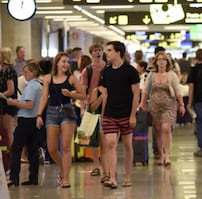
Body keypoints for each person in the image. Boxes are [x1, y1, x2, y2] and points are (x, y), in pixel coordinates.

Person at [36, 52, 86, 188]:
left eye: (67, 62)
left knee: (65, 147)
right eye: (63, 61)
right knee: (51, 148)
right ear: (57, 63)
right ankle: (63, 170)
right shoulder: (48, 78)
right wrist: (39, 115)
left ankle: (66, 179)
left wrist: (70, 94)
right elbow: (44, 97)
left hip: (67, 112)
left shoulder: (71, 78)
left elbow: (83, 95)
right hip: (51, 112)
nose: (66, 64)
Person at [101, 41, 140, 188]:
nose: (107, 53)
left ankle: (128, 176)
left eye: (110, 50)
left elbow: (136, 95)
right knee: (110, 144)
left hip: (126, 114)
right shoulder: (106, 72)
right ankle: (112, 177)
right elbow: (105, 94)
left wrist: (133, 115)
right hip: (110, 114)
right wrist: (103, 115)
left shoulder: (130, 71)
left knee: (127, 145)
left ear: (118, 52)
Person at [141, 52, 185, 166]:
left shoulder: (172, 75)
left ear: (167, 62)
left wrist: (181, 104)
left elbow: (177, 90)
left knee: (166, 128)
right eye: (159, 59)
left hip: (169, 105)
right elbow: (145, 90)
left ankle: (167, 155)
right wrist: (143, 103)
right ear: (156, 62)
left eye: (163, 60)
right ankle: (160, 154)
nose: (161, 62)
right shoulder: (151, 75)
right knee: (158, 130)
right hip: (155, 105)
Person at [7, 62, 42, 187]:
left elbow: (29, 105)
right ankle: (33, 177)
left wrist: (14, 103)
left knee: (16, 149)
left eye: (26, 72)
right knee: (32, 149)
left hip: (26, 120)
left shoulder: (32, 87)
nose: (25, 74)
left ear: (33, 72)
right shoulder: (38, 85)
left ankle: (13, 178)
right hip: (34, 121)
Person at [79, 43, 107, 179]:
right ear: (91, 54)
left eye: (100, 50)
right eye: (95, 51)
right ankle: (96, 165)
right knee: (92, 137)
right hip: (92, 105)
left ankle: (107, 166)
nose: (98, 53)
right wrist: (83, 108)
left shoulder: (108, 68)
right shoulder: (87, 70)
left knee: (105, 136)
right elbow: (83, 90)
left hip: (107, 104)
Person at [0, 47, 18, 153]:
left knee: (8, 131)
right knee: (3, 132)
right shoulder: (2, 70)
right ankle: (4, 157)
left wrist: (1, 95)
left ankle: (13, 157)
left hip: (7, 104)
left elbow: (11, 90)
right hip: (2, 103)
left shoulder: (9, 71)